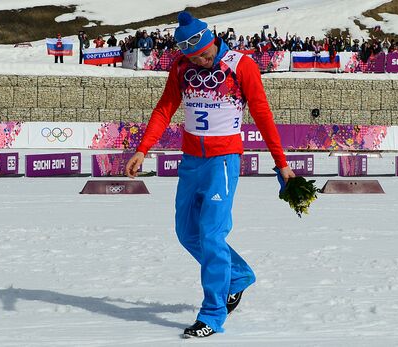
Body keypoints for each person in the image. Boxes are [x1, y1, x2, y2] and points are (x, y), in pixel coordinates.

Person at [125, 11, 295, 338]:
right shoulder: (181, 67)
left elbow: (262, 114)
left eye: (203, 55)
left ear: (211, 41)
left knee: (212, 235)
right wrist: (143, 149)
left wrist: (281, 162)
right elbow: (164, 109)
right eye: (193, 57)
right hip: (191, 161)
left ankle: (213, 314)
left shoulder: (240, 65)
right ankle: (240, 275)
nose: (201, 62)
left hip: (223, 162)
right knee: (187, 232)